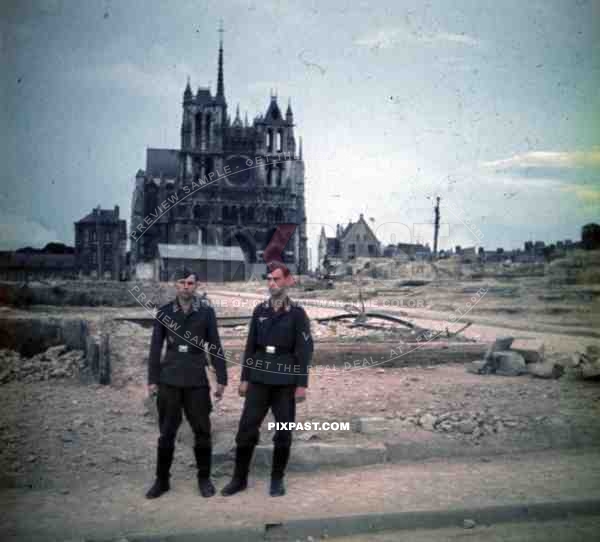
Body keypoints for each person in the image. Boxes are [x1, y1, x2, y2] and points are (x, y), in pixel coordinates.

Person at [221, 261, 313, 497]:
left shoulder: (298, 314)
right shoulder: (260, 311)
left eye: (277, 279)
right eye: (269, 279)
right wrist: (245, 378)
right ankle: (239, 479)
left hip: (285, 380)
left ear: (288, 281)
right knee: (246, 429)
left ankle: (276, 479)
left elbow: (304, 351)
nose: (272, 283)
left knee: (283, 431)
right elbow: (250, 346)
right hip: (259, 378)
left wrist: (302, 384)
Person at [145, 268, 227, 499]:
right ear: (175, 285)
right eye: (181, 283)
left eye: (190, 283)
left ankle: (204, 479)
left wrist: (221, 379)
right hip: (169, 379)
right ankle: (162, 481)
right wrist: (152, 380)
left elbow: (215, 346)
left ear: (196, 286)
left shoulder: (206, 313)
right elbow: (155, 349)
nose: (186, 287)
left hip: (196, 380)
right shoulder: (164, 313)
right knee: (167, 432)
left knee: (202, 431)